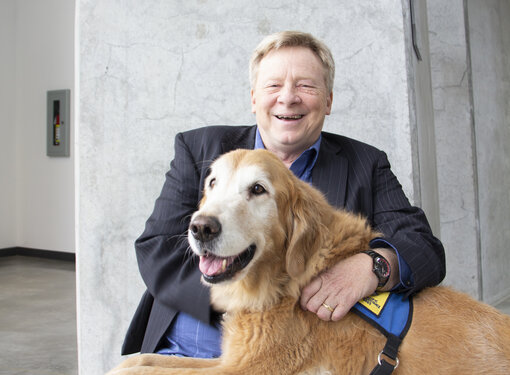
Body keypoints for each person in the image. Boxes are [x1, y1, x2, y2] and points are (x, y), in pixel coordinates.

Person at [121, 31, 445, 357]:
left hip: (297, 356)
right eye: (273, 85)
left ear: (328, 100)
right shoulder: (199, 149)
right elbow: (157, 249)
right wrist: (250, 297)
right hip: (189, 346)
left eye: (306, 85)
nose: (288, 98)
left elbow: (422, 247)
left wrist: (372, 268)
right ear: (253, 98)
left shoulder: (366, 163)